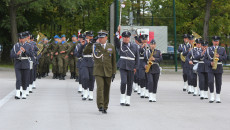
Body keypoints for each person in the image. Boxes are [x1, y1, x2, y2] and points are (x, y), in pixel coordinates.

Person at [83, 30, 116, 114]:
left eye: (102, 37)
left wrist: (114, 72)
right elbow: (85, 52)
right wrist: (91, 43)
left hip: (108, 70)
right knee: (100, 88)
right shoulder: (95, 46)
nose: (100, 39)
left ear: (106, 38)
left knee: (107, 89)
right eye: (99, 37)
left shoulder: (111, 46)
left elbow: (113, 60)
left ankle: (105, 106)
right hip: (98, 71)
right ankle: (100, 105)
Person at [115, 26, 139, 106]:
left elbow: (137, 58)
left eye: (127, 37)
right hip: (123, 66)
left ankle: (128, 99)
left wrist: (136, 67)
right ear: (122, 38)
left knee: (130, 83)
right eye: (124, 37)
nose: (126, 39)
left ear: (129, 38)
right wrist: (117, 32)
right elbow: (116, 41)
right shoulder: (120, 45)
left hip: (131, 66)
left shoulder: (134, 46)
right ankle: (122, 98)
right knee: (124, 82)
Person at [10, 32, 33, 99]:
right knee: (18, 79)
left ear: (25, 39)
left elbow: (31, 55)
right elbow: (11, 55)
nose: (21, 40)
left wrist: (25, 51)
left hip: (25, 64)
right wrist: (17, 54)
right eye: (20, 38)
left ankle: (24, 93)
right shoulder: (15, 46)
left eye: (22, 38)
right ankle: (17, 93)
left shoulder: (28, 45)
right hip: (18, 64)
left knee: (25, 79)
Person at [206, 36, 227, 103]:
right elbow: (205, 59)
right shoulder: (208, 49)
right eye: (215, 41)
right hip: (211, 67)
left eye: (217, 41)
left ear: (219, 42)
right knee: (210, 81)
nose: (216, 42)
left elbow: (225, 58)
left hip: (219, 67)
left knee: (218, 83)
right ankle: (212, 96)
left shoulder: (222, 49)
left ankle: (218, 97)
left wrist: (219, 56)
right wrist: (210, 63)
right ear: (212, 41)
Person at [77, 32, 95, 101]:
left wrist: (90, 43)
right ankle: (85, 91)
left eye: (90, 36)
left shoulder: (94, 43)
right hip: (84, 61)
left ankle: (91, 94)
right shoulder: (83, 43)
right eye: (88, 36)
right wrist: (82, 45)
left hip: (92, 61)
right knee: (85, 77)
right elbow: (78, 54)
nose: (89, 38)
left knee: (92, 78)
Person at [139, 34, 150, 99]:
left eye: (145, 39)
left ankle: (146, 91)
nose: (145, 40)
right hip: (141, 63)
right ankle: (142, 90)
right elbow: (137, 53)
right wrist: (141, 47)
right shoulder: (139, 46)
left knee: (147, 77)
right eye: (143, 39)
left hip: (147, 63)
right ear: (141, 40)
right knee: (142, 77)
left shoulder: (149, 46)